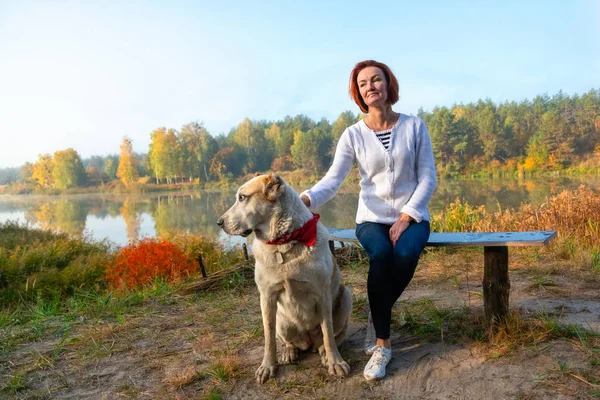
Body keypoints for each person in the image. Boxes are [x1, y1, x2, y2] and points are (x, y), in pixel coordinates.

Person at [299, 60, 436, 381]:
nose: (370, 86)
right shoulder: (353, 135)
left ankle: (378, 313)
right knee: (382, 255)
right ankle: (382, 346)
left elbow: (428, 177)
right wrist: (305, 199)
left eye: (377, 80)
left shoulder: (415, 127)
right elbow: (333, 180)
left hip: (413, 216)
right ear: (358, 93)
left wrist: (407, 215)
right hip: (371, 219)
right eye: (363, 84)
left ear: (389, 86)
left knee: (404, 253)